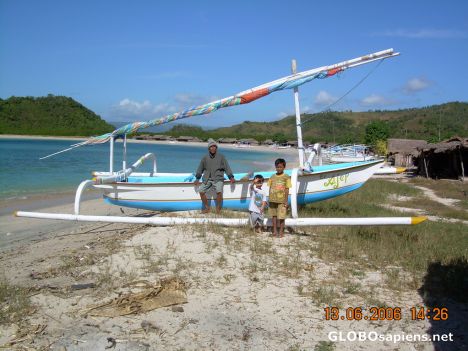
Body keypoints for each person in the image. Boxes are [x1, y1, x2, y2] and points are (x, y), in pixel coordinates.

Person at [194, 139, 235, 214]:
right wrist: (197, 178)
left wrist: (231, 177)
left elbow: (227, 167)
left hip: (218, 178)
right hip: (207, 178)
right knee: (201, 191)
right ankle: (207, 208)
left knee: (219, 191)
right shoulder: (205, 158)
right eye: (211, 147)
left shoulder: (221, 157)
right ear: (209, 148)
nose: (213, 148)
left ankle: (218, 208)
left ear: (216, 148)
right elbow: (200, 168)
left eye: (214, 146)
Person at [267, 158, 291, 237]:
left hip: (282, 201)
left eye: (280, 167)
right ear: (275, 167)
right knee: (273, 216)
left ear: (284, 167)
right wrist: (269, 198)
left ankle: (281, 232)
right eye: (277, 167)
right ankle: (274, 231)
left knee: (281, 217)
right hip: (272, 200)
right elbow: (270, 188)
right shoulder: (272, 176)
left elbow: (287, 189)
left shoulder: (286, 177)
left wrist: (286, 201)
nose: (279, 168)